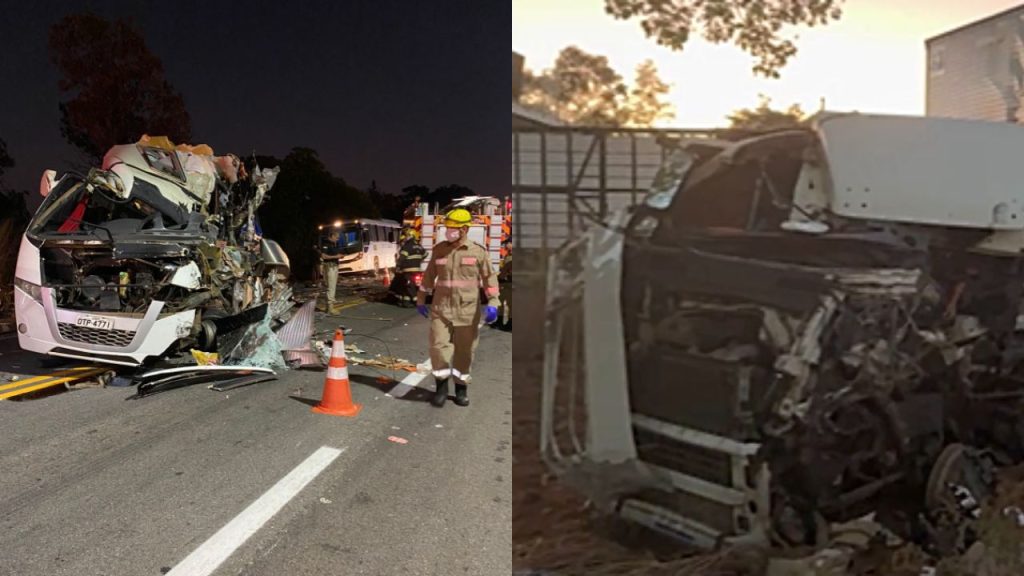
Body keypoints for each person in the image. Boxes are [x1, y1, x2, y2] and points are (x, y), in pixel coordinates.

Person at [416, 208, 500, 407]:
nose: (448, 231)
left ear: (464, 229)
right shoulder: (440, 249)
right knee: (438, 348)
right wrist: (420, 299)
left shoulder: (478, 251)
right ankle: (441, 387)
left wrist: (494, 302)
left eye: (452, 228)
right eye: (447, 227)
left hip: (467, 311)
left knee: (465, 352)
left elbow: (490, 278)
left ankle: (461, 388)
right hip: (441, 308)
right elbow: (428, 276)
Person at [317, 228, 343, 311]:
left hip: (334, 266)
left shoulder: (334, 244)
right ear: (332, 236)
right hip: (329, 267)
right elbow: (324, 256)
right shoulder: (326, 244)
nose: (337, 239)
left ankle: (330, 306)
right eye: (336, 237)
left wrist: (339, 255)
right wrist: (336, 256)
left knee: (333, 287)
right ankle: (330, 308)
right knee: (330, 287)